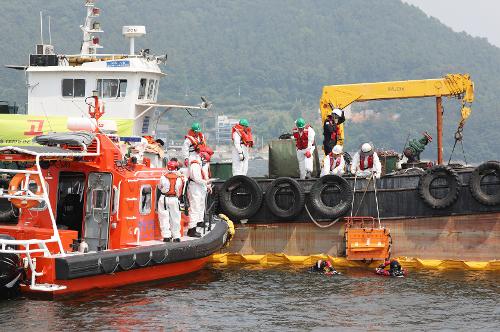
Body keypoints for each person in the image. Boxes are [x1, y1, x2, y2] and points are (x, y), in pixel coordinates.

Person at [187, 151, 212, 238]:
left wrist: (207, 184)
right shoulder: (195, 165)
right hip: (195, 187)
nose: (205, 163)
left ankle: (195, 224)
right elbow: (197, 178)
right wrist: (206, 182)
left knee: (200, 206)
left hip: (199, 187)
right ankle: (191, 229)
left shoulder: (199, 165)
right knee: (195, 207)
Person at [158, 160, 184, 242]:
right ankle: (176, 236)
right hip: (174, 199)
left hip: (164, 198)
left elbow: (159, 187)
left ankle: (166, 236)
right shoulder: (179, 178)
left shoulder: (163, 177)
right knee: (176, 218)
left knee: (163, 217)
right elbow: (179, 189)